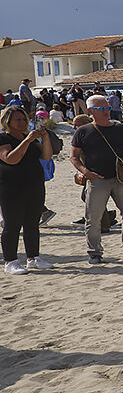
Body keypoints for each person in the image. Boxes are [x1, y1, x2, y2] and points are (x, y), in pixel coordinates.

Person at [69, 95, 123, 264]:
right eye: (101, 109)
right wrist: (85, 171)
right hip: (97, 180)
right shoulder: (83, 131)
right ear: (90, 112)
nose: (106, 112)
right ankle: (94, 252)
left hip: (121, 178)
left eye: (108, 108)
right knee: (93, 218)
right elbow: (73, 156)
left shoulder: (121, 129)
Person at [0, 105, 53, 274]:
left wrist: (45, 138)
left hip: (34, 185)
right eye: (18, 119)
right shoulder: (3, 139)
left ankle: (33, 258)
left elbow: (46, 156)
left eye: (24, 119)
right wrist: (27, 140)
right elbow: (11, 159)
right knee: (12, 224)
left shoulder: (29, 138)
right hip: (11, 187)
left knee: (32, 223)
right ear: (8, 121)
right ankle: (10, 261)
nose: (22, 123)